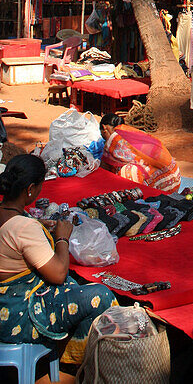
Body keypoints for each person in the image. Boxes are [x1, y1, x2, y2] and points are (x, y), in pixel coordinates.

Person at [0, 154, 116, 365]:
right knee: (100, 295)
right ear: (31, 189)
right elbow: (58, 274)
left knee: (76, 288)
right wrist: (62, 238)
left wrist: (38, 226)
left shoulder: (10, 217)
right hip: (17, 319)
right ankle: (73, 362)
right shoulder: (23, 227)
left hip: (5, 306)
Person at [100, 113, 181, 193]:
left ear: (104, 128)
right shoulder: (131, 131)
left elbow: (104, 168)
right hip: (174, 180)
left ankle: (141, 195)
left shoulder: (114, 140)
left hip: (159, 189)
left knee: (127, 171)